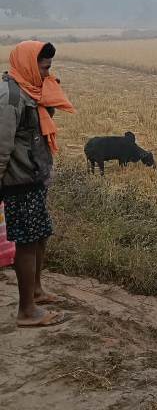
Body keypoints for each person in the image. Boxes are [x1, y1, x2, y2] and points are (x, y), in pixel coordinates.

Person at [0, 40, 75, 328]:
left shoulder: (32, 91)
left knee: (40, 235)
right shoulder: (10, 97)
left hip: (35, 176)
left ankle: (36, 291)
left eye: (49, 68)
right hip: (19, 180)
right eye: (43, 68)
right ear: (29, 65)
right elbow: (3, 145)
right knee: (27, 242)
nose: (46, 74)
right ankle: (26, 311)